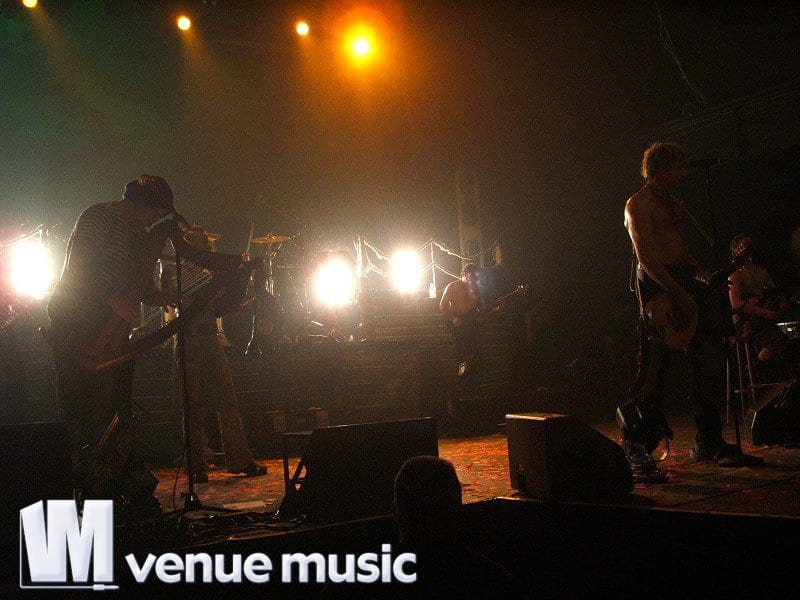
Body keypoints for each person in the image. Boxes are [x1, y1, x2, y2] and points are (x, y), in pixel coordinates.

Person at [46, 174, 177, 518]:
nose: (153, 221)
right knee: (83, 409)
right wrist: (113, 300)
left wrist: (160, 296)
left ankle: (117, 486)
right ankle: (87, 491)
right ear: (138, 205)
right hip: (76, 321)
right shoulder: (98, 216)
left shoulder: (136, 235)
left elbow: (136, 286)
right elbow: (80, 267)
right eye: (154, 213)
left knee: (115, 409)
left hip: (109, 327)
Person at [617, 142, 743, 482]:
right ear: (661, 167)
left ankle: (709, 441)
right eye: (677, 166)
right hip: (658, 288)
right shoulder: (637, 204)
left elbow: (683, 256)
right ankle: (636, 445)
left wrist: (703, 277)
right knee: (654, 368)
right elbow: (646, 258)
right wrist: (678, 293)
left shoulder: (673, 204)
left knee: (706, 357)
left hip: (682, 283)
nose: (682, 174)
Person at [168, 226, 267, 484]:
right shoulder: (174, 270)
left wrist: (242, 296)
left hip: (210, 336)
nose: (209, 248)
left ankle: (239, 459)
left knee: (227, 399)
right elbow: (188, 300)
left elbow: (219, 307)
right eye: (203, 244)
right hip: (189, 338)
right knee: (193, 404)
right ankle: (196, 465)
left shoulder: (210, 272)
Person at [728, 233, 798, 378]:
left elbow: (774, 292)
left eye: (750, 245)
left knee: (794, 330)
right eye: (743, 246)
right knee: (781, 338)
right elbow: (736, 304)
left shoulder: (762, 271)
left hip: (764, 318)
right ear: (736, 251)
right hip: (746, 323)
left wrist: (782, 303)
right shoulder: (735, 274)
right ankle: (755, 365)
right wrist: (765, 313)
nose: (748, 249)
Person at [439, 263, 487, 385]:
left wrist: (495, 309)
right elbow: (443, 304)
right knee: (462, 352)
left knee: (476, 352)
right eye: (472, 276)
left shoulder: (475, 289)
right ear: (465, 274)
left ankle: (475, 380)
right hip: (457, 323)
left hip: (470, 322)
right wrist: (453, 318)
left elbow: (481, 307)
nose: (474, 279)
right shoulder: (453, 286)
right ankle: (462, 379)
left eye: (476, 276)